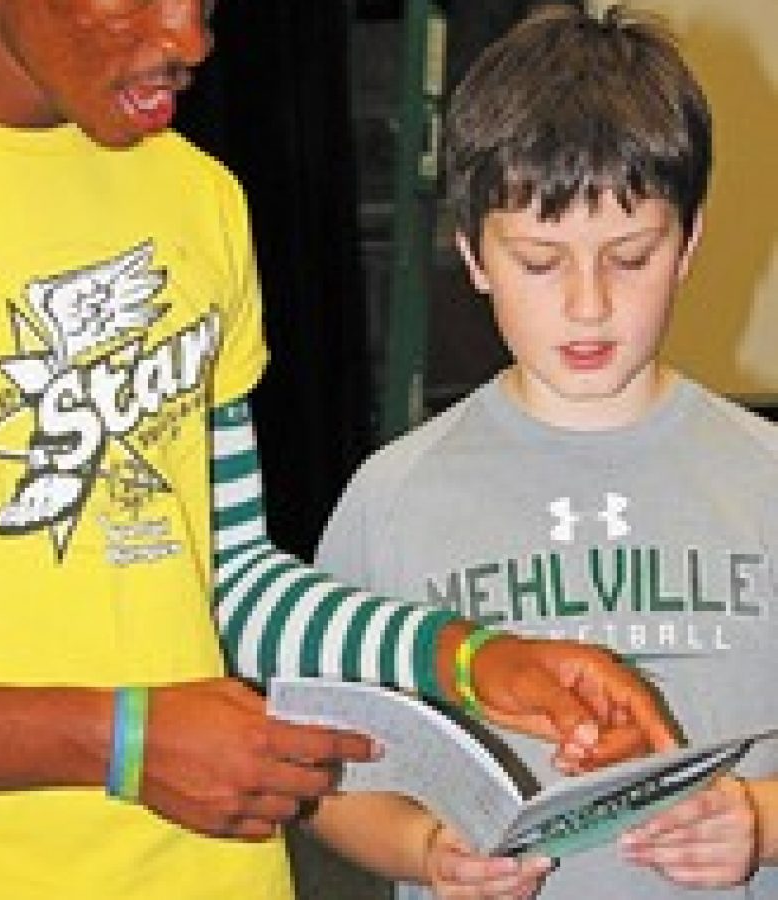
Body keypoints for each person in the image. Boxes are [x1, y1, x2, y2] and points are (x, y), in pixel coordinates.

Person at [0, 1, 675, 898]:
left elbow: (229, 575)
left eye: (208, 1)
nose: (189, 40)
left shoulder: (197, 196)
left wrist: (471, 658)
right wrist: (121, 743)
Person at [310, 4, 778, 899]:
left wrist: (756, 820)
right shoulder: (394, 496)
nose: (589, 304)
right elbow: (329, 778)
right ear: (473, 256)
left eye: (631, 256)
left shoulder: (765, 481)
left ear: (689, 246)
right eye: (538, 261)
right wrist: (424, 850)